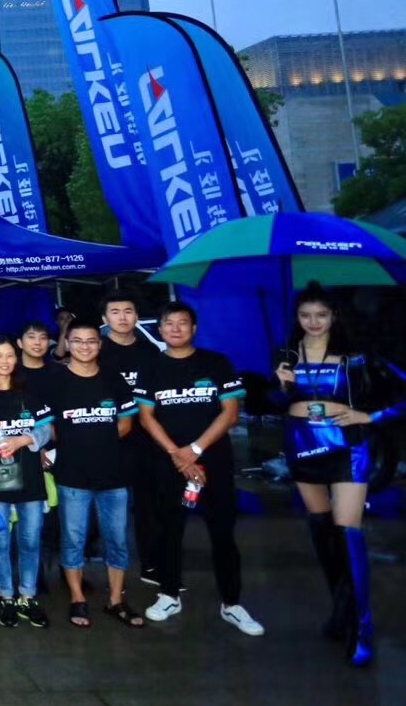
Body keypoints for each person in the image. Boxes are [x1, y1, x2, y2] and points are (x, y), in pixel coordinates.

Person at [273, 283, 401, 666]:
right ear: (297, 318)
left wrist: (371, 416)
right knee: (323, 531)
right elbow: (271, 403)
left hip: (347, 445)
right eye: (305, 315)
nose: (313, 322)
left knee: (348, 532)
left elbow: (399, 390)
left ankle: (362, 629)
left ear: (333, 317)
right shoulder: (285, 354)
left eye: (321, 315)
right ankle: (341, 609)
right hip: (302, 443)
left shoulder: (355, 356)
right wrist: (279, 386)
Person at [134, 302, 263, 636]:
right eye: (169, 323)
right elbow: (146, 418)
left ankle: (232, 603)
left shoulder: (216, 363)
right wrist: (177, 455)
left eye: (182, 323)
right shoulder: (151, 366)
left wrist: (194, 451)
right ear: (160, 329)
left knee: (223, 532)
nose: (175, 328)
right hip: (168, 464)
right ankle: (169, 595)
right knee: (169, 531)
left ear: (194, 328)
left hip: (214, 462)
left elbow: (230, 413)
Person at [46, 321, 144, 629]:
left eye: (91, 341)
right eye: (77, 341)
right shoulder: (56, 381)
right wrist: (73, 445)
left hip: (113, 476)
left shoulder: (113, 379)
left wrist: (97, 440)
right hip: (72, 477)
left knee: (117, 540)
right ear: (67, 345)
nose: (85, 346)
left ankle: (116, 600)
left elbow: (126, 423)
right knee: (73, 540)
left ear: (99, 345)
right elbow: (50, 428)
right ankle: (77, 598)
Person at [0, 336, 53, 628]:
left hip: (30, 478)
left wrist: (25, 439)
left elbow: (47, 429)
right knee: (0, 541)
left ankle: (27, 597)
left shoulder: (29, 392)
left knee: (30, 540)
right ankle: (6, 597)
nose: (4, 361)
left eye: (9, 355)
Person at [97, 291, 163, 586]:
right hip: (108, 439)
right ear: (104, 318)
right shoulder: (97, 351)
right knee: (110, 507)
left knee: (149, 503)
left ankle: (151, 564)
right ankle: (112, 568)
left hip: (147, 439)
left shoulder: (150, 352)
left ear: (136, 316)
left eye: (128, 311)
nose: (122, 317)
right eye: (115, 312)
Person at [18, 321, 54, 395]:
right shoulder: (10, 371)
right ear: (20, 343)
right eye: (31, 337)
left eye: (43, 338)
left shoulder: (59, 372)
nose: (37, 342)